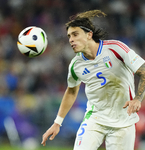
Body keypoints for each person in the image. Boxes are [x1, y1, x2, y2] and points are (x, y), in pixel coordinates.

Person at [41, 10, 145, 150]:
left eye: (75, 34)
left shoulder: (116, 49)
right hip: (95, 119)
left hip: (124, 121)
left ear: (89, 34)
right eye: (69, 36)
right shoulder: (75, 65)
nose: (71, 39)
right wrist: (57, 122)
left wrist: (138, 99)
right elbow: (71, 92)